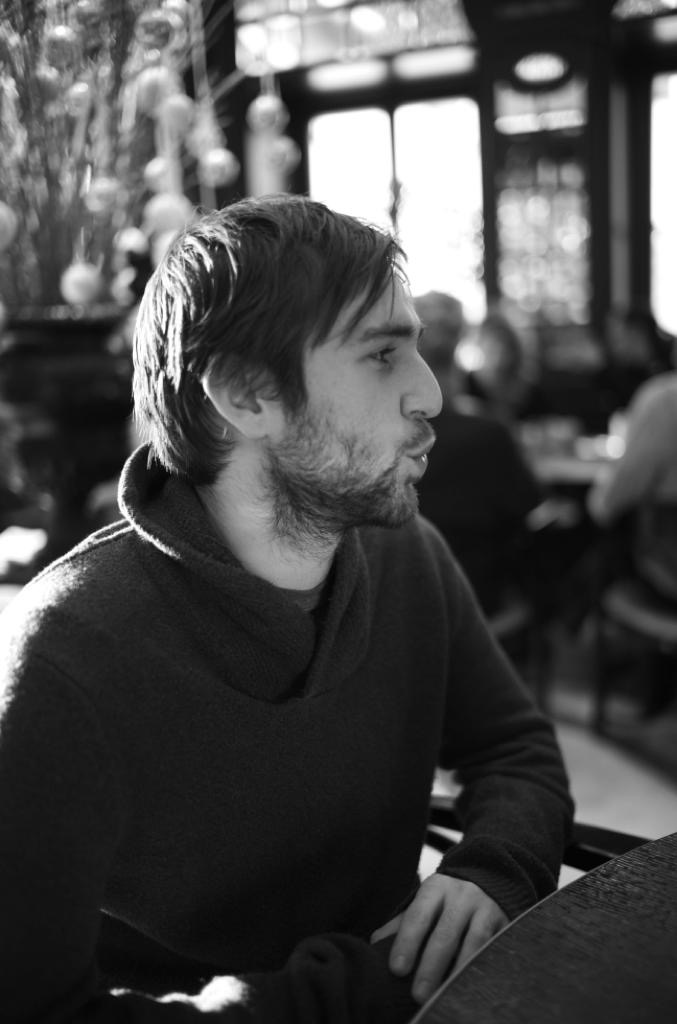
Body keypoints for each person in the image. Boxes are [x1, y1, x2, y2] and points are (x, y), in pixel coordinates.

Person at [0, 196, 573, 1023]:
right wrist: (357, 991)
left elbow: (513, 748)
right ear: (246, 394)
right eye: (382, 355)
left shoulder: (406, 555)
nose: (430, 394)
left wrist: (492, 868)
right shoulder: (69, 654)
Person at [413, 291, 544, 616]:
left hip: (397, 600)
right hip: (477, 595)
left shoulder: (384, 436)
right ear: (460, 343)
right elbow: (528, 504)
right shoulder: (489, 433)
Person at [463, 309, 548, 425]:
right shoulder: (468, 384)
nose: (499, 357)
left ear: (514, 350)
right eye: (492, 349)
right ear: (482, 347)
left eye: (504, 349)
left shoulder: (528, 388)